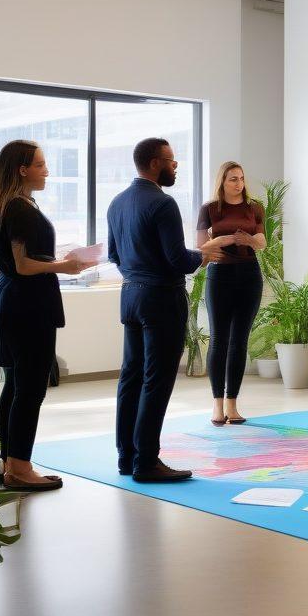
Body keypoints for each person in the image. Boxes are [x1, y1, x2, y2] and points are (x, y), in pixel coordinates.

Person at [107, 138, 223, 483]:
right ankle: (147, 462)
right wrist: (204, 253)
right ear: (156, 163)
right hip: (161, 298)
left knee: (130, 377)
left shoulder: (117, 202)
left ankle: (127, 457)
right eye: (172, 161)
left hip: (130, 295)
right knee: (156, 381)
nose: (176, 166)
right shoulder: (163, 203)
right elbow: (178, 260)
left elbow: (113, 254)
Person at [0, 141, 94, 492]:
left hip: (12, 301)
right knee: (30, 388)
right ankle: (20, 467)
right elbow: (23, 265)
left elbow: (23, 260)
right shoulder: (19, 209)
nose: (47, 171)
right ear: (22, 169)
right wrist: (64, 266)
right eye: (41, 165)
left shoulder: (7, 206)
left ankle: (9, 462)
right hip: (27, 305)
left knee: (15, 385)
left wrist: (55, 260)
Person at [196, 162, 265, 426]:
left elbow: (262, 242)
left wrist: (249, 240)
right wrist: (221, 241)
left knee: (239, 342)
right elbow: (200, 247)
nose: (239, 183)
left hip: (249, 275)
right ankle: (217, 405)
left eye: (241, 178)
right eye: (233, 179)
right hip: (219, 276)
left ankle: (232, 405)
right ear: (222, 182)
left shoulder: (254, 208)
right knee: (219, 340)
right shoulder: (209, 209)